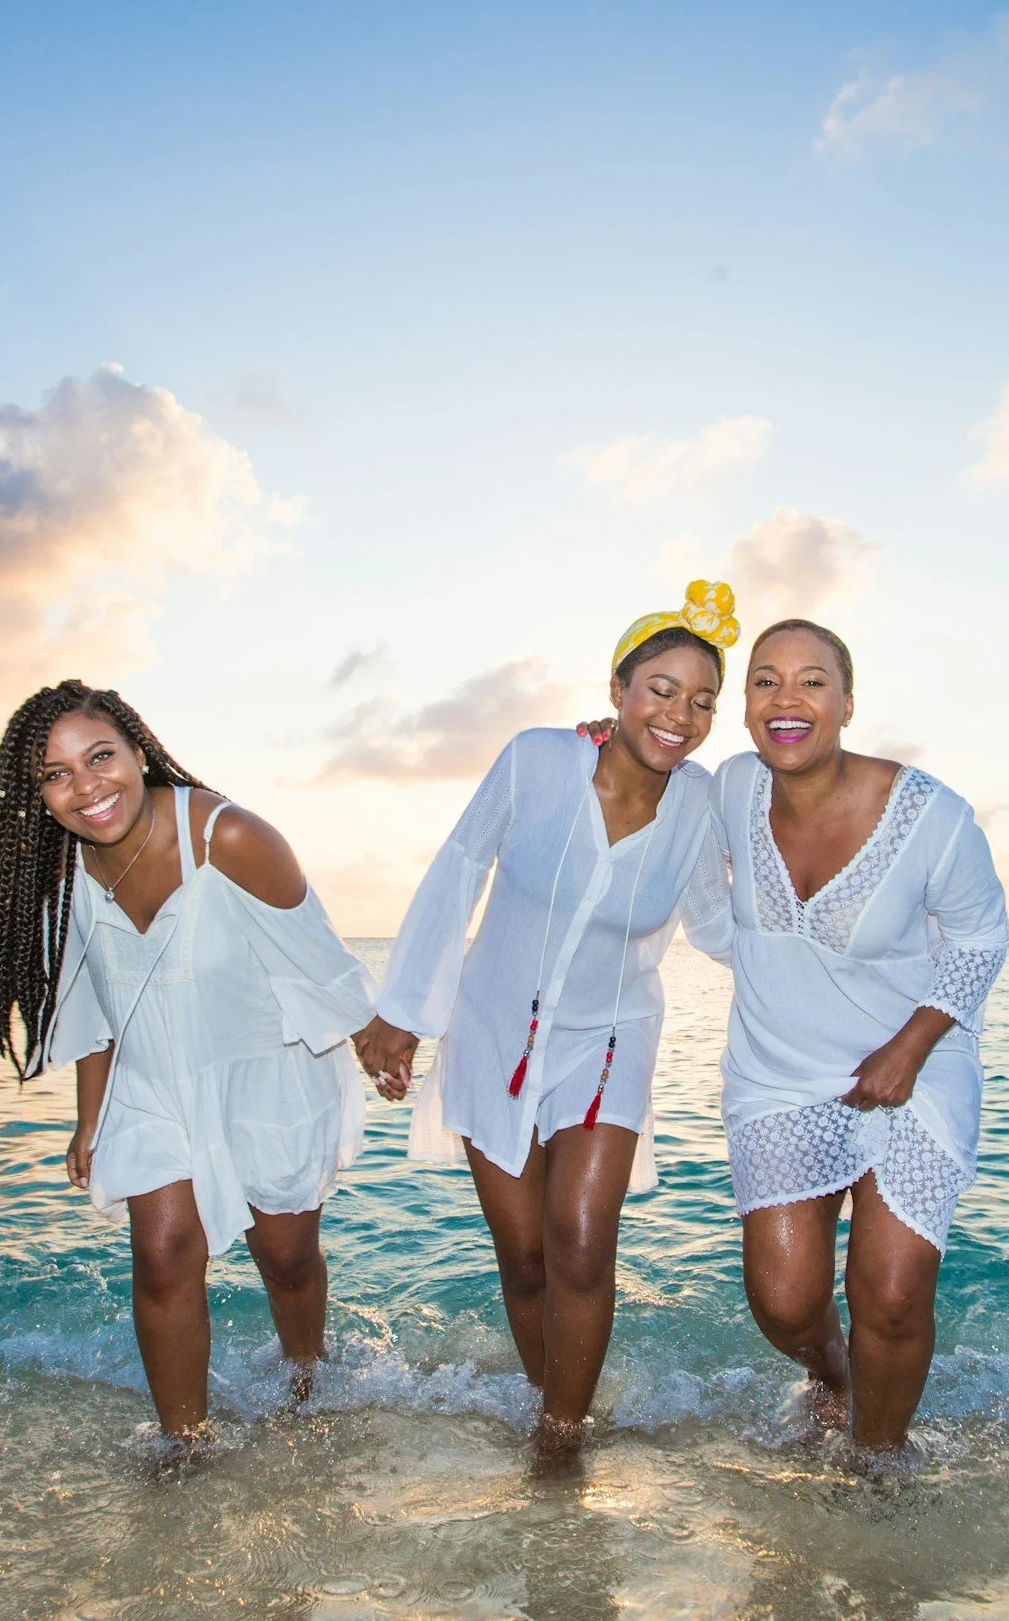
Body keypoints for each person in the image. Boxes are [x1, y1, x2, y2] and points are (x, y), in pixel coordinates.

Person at [355, 581, 740, 1456]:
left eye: (703, 700)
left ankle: (562, 1439)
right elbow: (457, 869)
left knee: (577, 1237)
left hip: (612, 1036)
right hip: (494, 1032)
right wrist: (405, 1012)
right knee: (525, 1256)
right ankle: (549, 1394)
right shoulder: (534, 760)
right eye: (661, 689)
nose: (680, 714)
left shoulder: (701, 803)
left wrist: (831, 964)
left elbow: (718, 923)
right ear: (617, 689)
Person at [0, 680, 378, 1438]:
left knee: (285, 1259)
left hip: (267, 1072)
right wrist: (89, 1120)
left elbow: (324, 968)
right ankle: (183, 1443)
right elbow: (99, 1006)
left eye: (100, 757)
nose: (86, 787)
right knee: (161, 1258)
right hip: (152, 1081)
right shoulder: (64, 874)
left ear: (137, 751)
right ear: (36, 795)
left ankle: (307, 1378)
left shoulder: (231, 837)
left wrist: (382, 1041)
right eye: (56, 774)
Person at [708, 619, 1009, 1453]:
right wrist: (602, 740)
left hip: (911, 1064)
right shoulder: (729, 789)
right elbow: (644, 785)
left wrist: (911, 1045)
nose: (788, 699)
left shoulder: (930, 814)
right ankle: (836, 1378)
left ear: (846, 701)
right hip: (778, 1073)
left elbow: (983, 937)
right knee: (784, 1302)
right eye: (765, 680)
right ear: (744, 708)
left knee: (892, 1293)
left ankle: (877, 1459)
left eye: (812, 680)